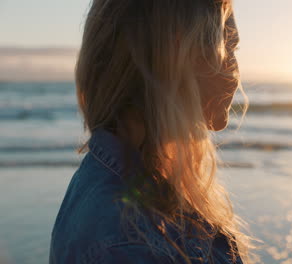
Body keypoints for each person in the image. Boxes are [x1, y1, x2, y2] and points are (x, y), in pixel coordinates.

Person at [49, 0, 252, 263]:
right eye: (229, 47)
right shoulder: (127, 243)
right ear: (177, 53)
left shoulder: (131, 183)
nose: (236, 72)